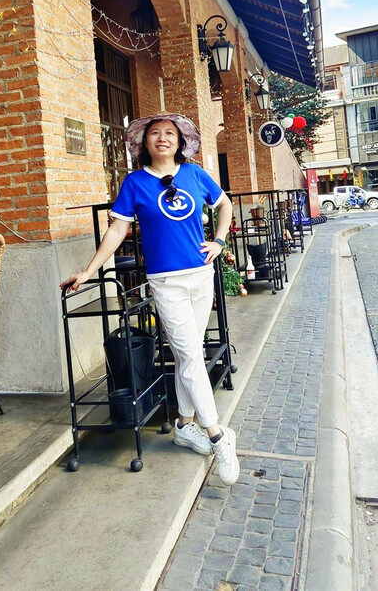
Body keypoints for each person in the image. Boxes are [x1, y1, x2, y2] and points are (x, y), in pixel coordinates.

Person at [61, 112, 239, 485]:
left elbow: (225, 205)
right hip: (166, 281)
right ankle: (218, 435)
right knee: (189, 354)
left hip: (200, 275)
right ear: (144, 143)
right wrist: (89, 270)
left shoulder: (194, 174)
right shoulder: (135, 183)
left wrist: (219, 241)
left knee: (188, 354)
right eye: (155, 133)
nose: (162, 138)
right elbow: (117, 230)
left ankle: (184, 426)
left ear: (179, 141)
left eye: (169, 133)